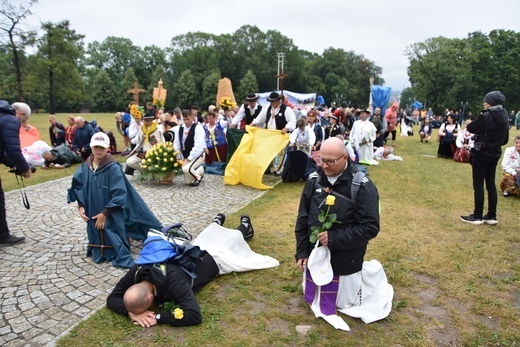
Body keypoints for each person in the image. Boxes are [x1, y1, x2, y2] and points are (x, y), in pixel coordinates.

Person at [106, 214, 277, 327]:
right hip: (192, 255)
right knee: (209, 236)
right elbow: (112, 298)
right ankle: (218, 222)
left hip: (213, 259)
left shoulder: (174, 281)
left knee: (232, 241)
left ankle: (243, 227)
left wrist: (157, 318)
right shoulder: (138, 268)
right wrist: (130, 313)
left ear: (150, 298)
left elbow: (194, 316)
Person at [294, 137, 391, 329]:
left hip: (345, 258)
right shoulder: (314, 180)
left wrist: (334, 238)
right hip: (316, 256)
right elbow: (303, 218)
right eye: (321, 159)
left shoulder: (362, 186)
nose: (324, 165)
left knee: (341, 302)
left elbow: (370, 227)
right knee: (313, 295)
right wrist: (302, 252)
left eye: (330, 161)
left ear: (345, 158)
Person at [67, 132, 162, 268]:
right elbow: (78, 186)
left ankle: (120, 244)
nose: (99, 150)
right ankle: (98, 248)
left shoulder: (113, 168)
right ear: (91, 147)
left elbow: (119, 194)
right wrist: (81, 206)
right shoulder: (85, 168)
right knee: (95, 229)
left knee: (112, 231)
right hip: (93, 210)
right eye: (96, 147)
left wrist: (105, 214)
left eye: (102, 147)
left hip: (111, 213)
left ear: (108, 148)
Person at [461, 91, 509, 225]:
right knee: (490, 184)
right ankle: (492, 215)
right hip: (494, 153)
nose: (483, 103)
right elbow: (504, 139)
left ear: (491, 102)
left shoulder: (486, 116)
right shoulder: (504, 116)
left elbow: (471, 128)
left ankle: (477, 216)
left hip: (481, 153)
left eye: (485, 101)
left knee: (478, 184)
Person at [0, 100, 32, 247]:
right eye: (24, 121)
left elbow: (5, 151)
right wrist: (25, 168)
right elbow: (13, 150)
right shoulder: (10, 120)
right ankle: (3, 236)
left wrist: (15, 165)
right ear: (21, 114)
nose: (23, 124)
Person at [174, 109, 206, 187]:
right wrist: (179, 156)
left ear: (192, 118)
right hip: (186, 155)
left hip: (198, 155)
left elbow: (198, 146)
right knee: (187, 182)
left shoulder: (198, 128)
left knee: (186, 169)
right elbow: (177, 143)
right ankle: (199, 171)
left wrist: (188, 159)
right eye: (184, 119)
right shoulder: (179, 128)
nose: (186, 121)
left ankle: (198, 177)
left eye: (188, 119)